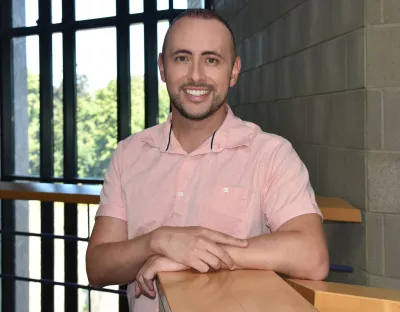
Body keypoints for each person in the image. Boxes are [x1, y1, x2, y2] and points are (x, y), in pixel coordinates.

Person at [86, 8, 329, 312]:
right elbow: (97, 268)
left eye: (211, 60)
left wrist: (195, 254)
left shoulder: (271, 154)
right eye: (182, 58)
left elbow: (312, 255)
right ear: (162, 67)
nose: (196, 75)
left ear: (234, 70)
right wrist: (157, 241)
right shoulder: (129, 154)